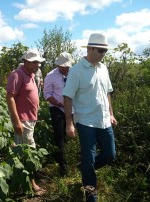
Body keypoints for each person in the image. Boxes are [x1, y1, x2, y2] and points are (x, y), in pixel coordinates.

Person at [63, 33, 117, 202]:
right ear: (90, 49)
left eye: (105, 51)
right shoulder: (76, 71)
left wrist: (111, 114)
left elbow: (107, 93)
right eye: (101, 50)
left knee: (110, 155)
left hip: (104, 119)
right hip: (85, 121)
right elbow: (67, 98)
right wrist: (69, 123)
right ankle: (90, 194)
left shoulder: (103, 68)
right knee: (89, 157)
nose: (104, 54)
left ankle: (85, 169)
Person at [6, 49, 45, 194]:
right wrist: (16, 122)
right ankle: (30, 184)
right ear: (27, 62)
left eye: (38, 62)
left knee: (26, 151)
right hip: (22, 121)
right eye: (35, 62)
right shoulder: (17, 74)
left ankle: (23, 182)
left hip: (30, 120)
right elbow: (10, 97)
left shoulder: (31, 74)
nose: (38, 65)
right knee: (27, 153)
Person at [43, 52, 73, 176]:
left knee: (70, 133)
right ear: (58, 65)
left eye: (66, 66)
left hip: (72, 108)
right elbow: (47, 94)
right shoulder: (50, 76)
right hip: (57, 108)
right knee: (59, 134)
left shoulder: (73, 74)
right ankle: (62, 164)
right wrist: (59, 104)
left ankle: (68, 155)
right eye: (62, 66)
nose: (64, 69)